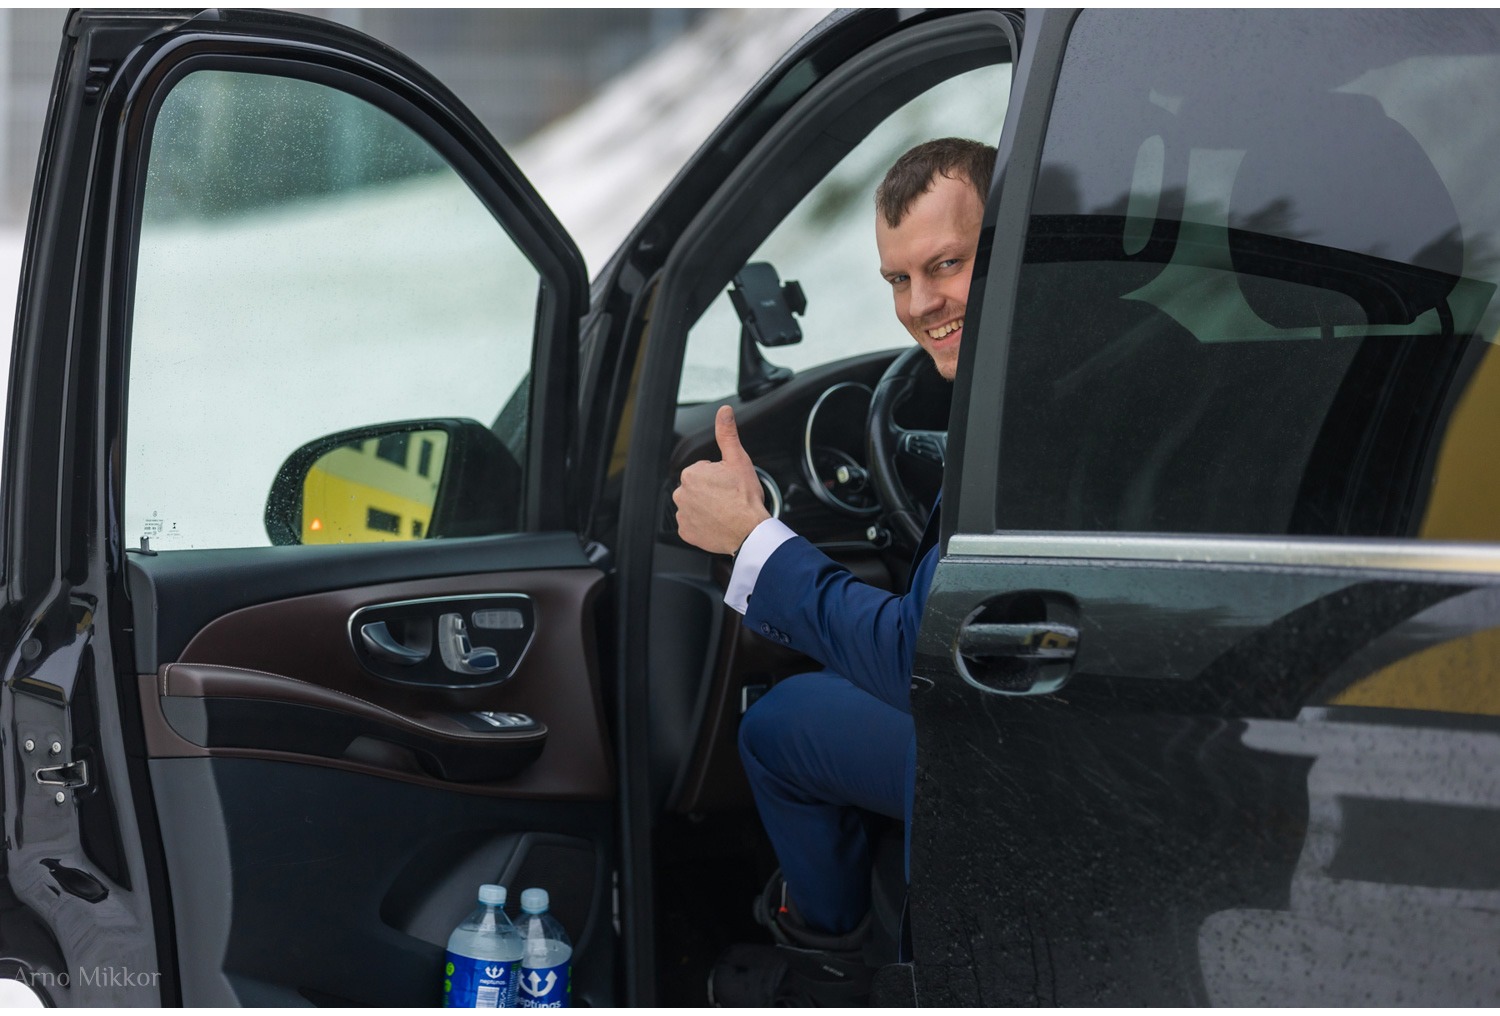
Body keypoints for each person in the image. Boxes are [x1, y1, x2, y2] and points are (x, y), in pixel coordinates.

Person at [673, 137, 996, 1006]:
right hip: (1042, 721)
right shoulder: (1085, 358)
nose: (921, 305)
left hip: (1007, 746)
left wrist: (753, 541)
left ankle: (830, 964)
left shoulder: (1023, 412)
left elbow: (916, 657)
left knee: (776, 728)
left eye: (948, 265)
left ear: (1014, 244)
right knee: (797, 714)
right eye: (898, 279)